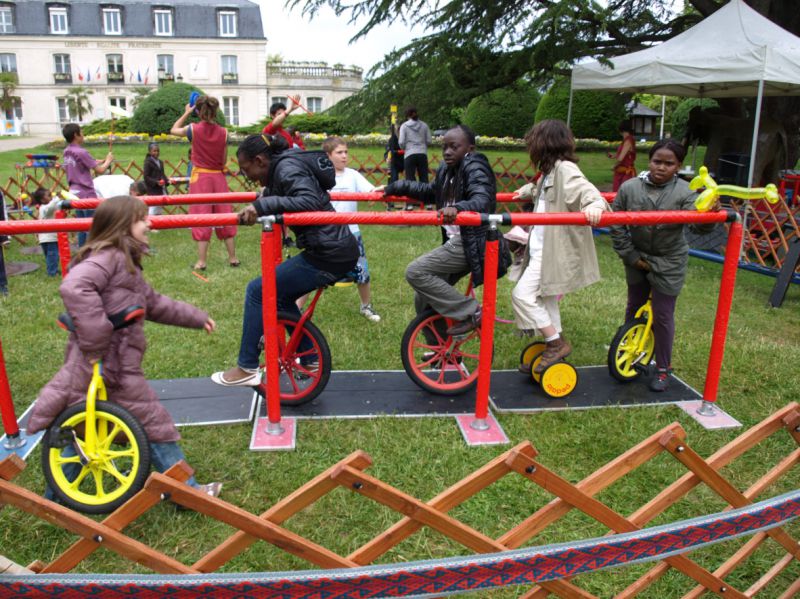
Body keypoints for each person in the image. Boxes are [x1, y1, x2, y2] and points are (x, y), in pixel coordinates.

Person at [25, 195, 221, 498]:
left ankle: (55, 499)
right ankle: (188, 493)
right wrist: (97, 336)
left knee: (85, 429)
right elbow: (74, 286)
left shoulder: (125, 262)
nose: (149, 223)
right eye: (142, 219)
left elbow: (153, 303)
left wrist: (195, 317)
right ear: (122, 226)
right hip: (105, 364)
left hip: (108, 364)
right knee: (153, 424)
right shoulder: (108, 258)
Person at [211, 134, 359, 387]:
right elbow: (279, 195)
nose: (247, 176)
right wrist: (260, 202)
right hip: (329, 249)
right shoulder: (282, 167)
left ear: (259, 160)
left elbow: (309, 202)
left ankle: (246, 366)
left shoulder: (286, 167)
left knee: (258, 290)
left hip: (329, 253)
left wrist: (262, 206)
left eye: (247, 170)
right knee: (280, 296)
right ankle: (310, 357)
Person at [610, 139, 720, 392]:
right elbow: (615, 222)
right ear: (649, 161)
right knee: (634, 306)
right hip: (637, 256)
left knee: (662, 314)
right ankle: (631, 350)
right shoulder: (630, 188)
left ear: (678, 166)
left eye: (668, 164)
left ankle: (662, 368)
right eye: (657, 161)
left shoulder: (685, 192)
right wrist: (629, 254)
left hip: (669, 260)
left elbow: (698, 225)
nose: (661, 167)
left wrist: (710, 215)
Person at [382, 124, 510, 336]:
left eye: (454, 147)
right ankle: (443, 351)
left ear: (470, 148)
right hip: (457, 241)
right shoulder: (447, 170)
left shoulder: (475, 167)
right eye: (445, 147)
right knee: (422, 299)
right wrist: (395, 187)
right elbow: (431, 192)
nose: (448, 152)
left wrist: (458, 207)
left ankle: (471, 312)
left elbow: (482, 199)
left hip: (472, 243)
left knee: (416, 271)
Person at [510, 119, 608, 375]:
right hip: (541, 247)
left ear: (545, 144)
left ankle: (555, 343)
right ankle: (554, 340)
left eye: (533, 143)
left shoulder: (565, 169)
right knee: (546, 298)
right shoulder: (550, 171)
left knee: (522, 295)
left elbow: (587, 192)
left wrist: (595, 205)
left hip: (551, 252)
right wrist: (529, 190)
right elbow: (546, 195)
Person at [170, 95, 239, 270]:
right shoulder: (224, 133)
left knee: (202, 216)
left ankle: (201, 261)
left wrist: (186, 112)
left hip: (200, 178)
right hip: (218, 177)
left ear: (199, 112)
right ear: (215, 111)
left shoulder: (193, 129)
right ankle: (233, 258)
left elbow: (173, 129)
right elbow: (223, 161)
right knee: (225, 215)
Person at [321, 136, 381, 322]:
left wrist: (377, 193)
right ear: (328, 155)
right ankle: (297, 308)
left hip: (352, 233)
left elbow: (370, 191)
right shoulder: (321, 177)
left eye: (346, 152)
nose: (344, 156)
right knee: (315, 271)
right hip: (327, 233)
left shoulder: (353, 174)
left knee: (362, 271)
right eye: (339, 152)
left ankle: (366, 306)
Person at [61, 123, 113, 247]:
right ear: (76, 135)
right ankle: (91, 252)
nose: (83, 135)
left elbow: (80, 163)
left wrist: (95, 161)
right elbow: (100, 170)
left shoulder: (67, 151)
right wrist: (108, 161)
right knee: (92, 225)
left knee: (81, 225)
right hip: (86, 193)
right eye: (81, 133)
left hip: (74, 192)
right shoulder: (82, 152)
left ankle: (82, 252)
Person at [398, 106, 432, 210]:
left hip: (410, 154)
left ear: (407, 115)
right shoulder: (424, 125)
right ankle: (427, 203)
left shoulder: (404, 126)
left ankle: (410, 204)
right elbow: (429, 140)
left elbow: (401, 142)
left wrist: (406, 147)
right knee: (424, 178)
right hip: (422, 154)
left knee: (410, 179)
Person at [32, 187, 61, 277]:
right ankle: (52, 272)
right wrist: (57, 198)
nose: (51, 197)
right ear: (42, 200)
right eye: (49, 195)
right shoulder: (44, 208)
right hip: (49, 238)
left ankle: (53, 269)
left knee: (51, 256)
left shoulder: (47, 206)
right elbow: (51, 206)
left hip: (49, 237)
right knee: (52, 256)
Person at [609, 120, 637, 192]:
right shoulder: (626, 140)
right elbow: (625, 154)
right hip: (621, 172)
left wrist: (614, 166)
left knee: (621, 194)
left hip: (625, 173)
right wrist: (614, 156)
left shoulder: (628, 140)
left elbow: (621, 159)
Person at [383, 122, 405, 211]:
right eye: (399, 131)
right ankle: (390, 201)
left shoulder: (407, 138)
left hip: (406, 161)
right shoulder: (392, 139)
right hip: (395, 162)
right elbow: (387, 151)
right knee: (393, 179)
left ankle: (411, 201)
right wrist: (387, 158)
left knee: (410, 180)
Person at [143, 142, 167, 216]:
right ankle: (150, 222)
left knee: (159, 206)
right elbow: (146, 177)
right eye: (154, 151)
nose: (156, 153)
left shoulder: (160, 162)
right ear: (150, 152)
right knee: (153, 207)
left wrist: (167, 181)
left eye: (158, 151)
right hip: (152, 189)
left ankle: (159, 222)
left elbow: (162, 174)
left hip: (160, 188)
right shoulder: (147, 162)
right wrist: (156, 182)